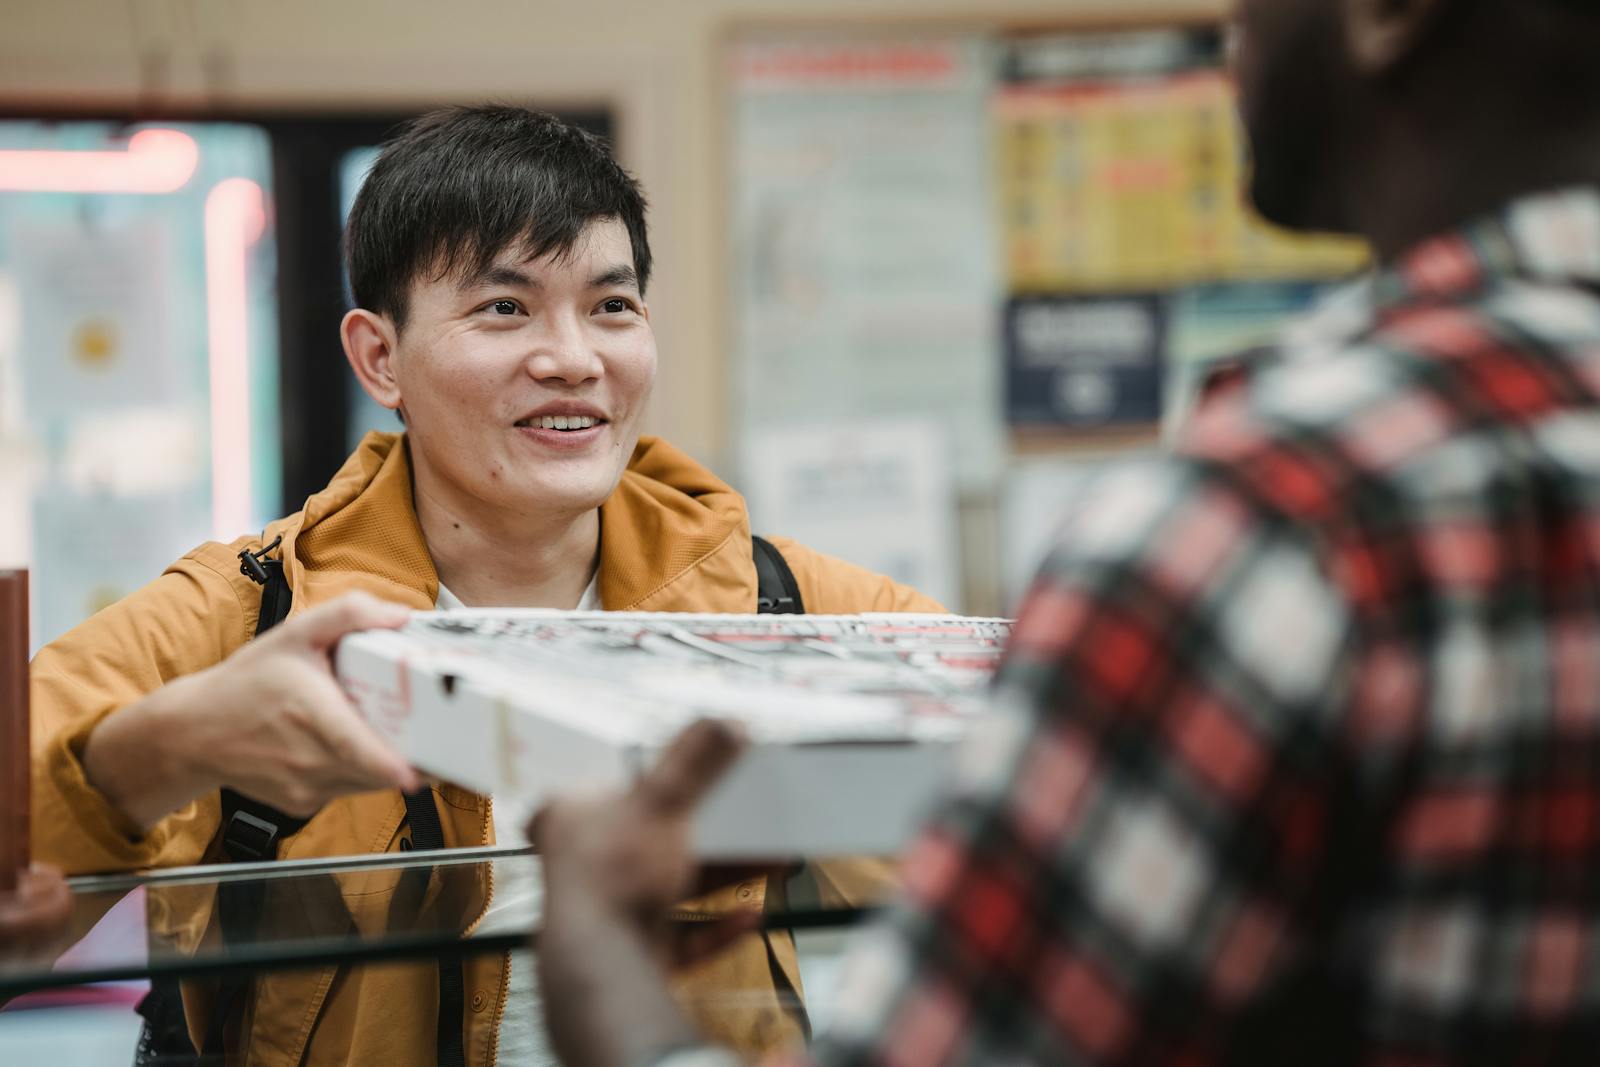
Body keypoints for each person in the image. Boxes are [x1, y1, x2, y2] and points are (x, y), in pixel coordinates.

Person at [532, 0, 1600, 1064]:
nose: (1231, 30)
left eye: (613, 306)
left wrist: (596, 958)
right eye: (503, 310)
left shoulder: (1276, 513)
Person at [28, 106, 939, 1065]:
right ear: (381, 357)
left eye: (612, 306)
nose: (576, 359)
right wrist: (151, 752)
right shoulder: (243, 616)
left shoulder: (780, 604)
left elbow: (1015, 824)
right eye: (505, 308)